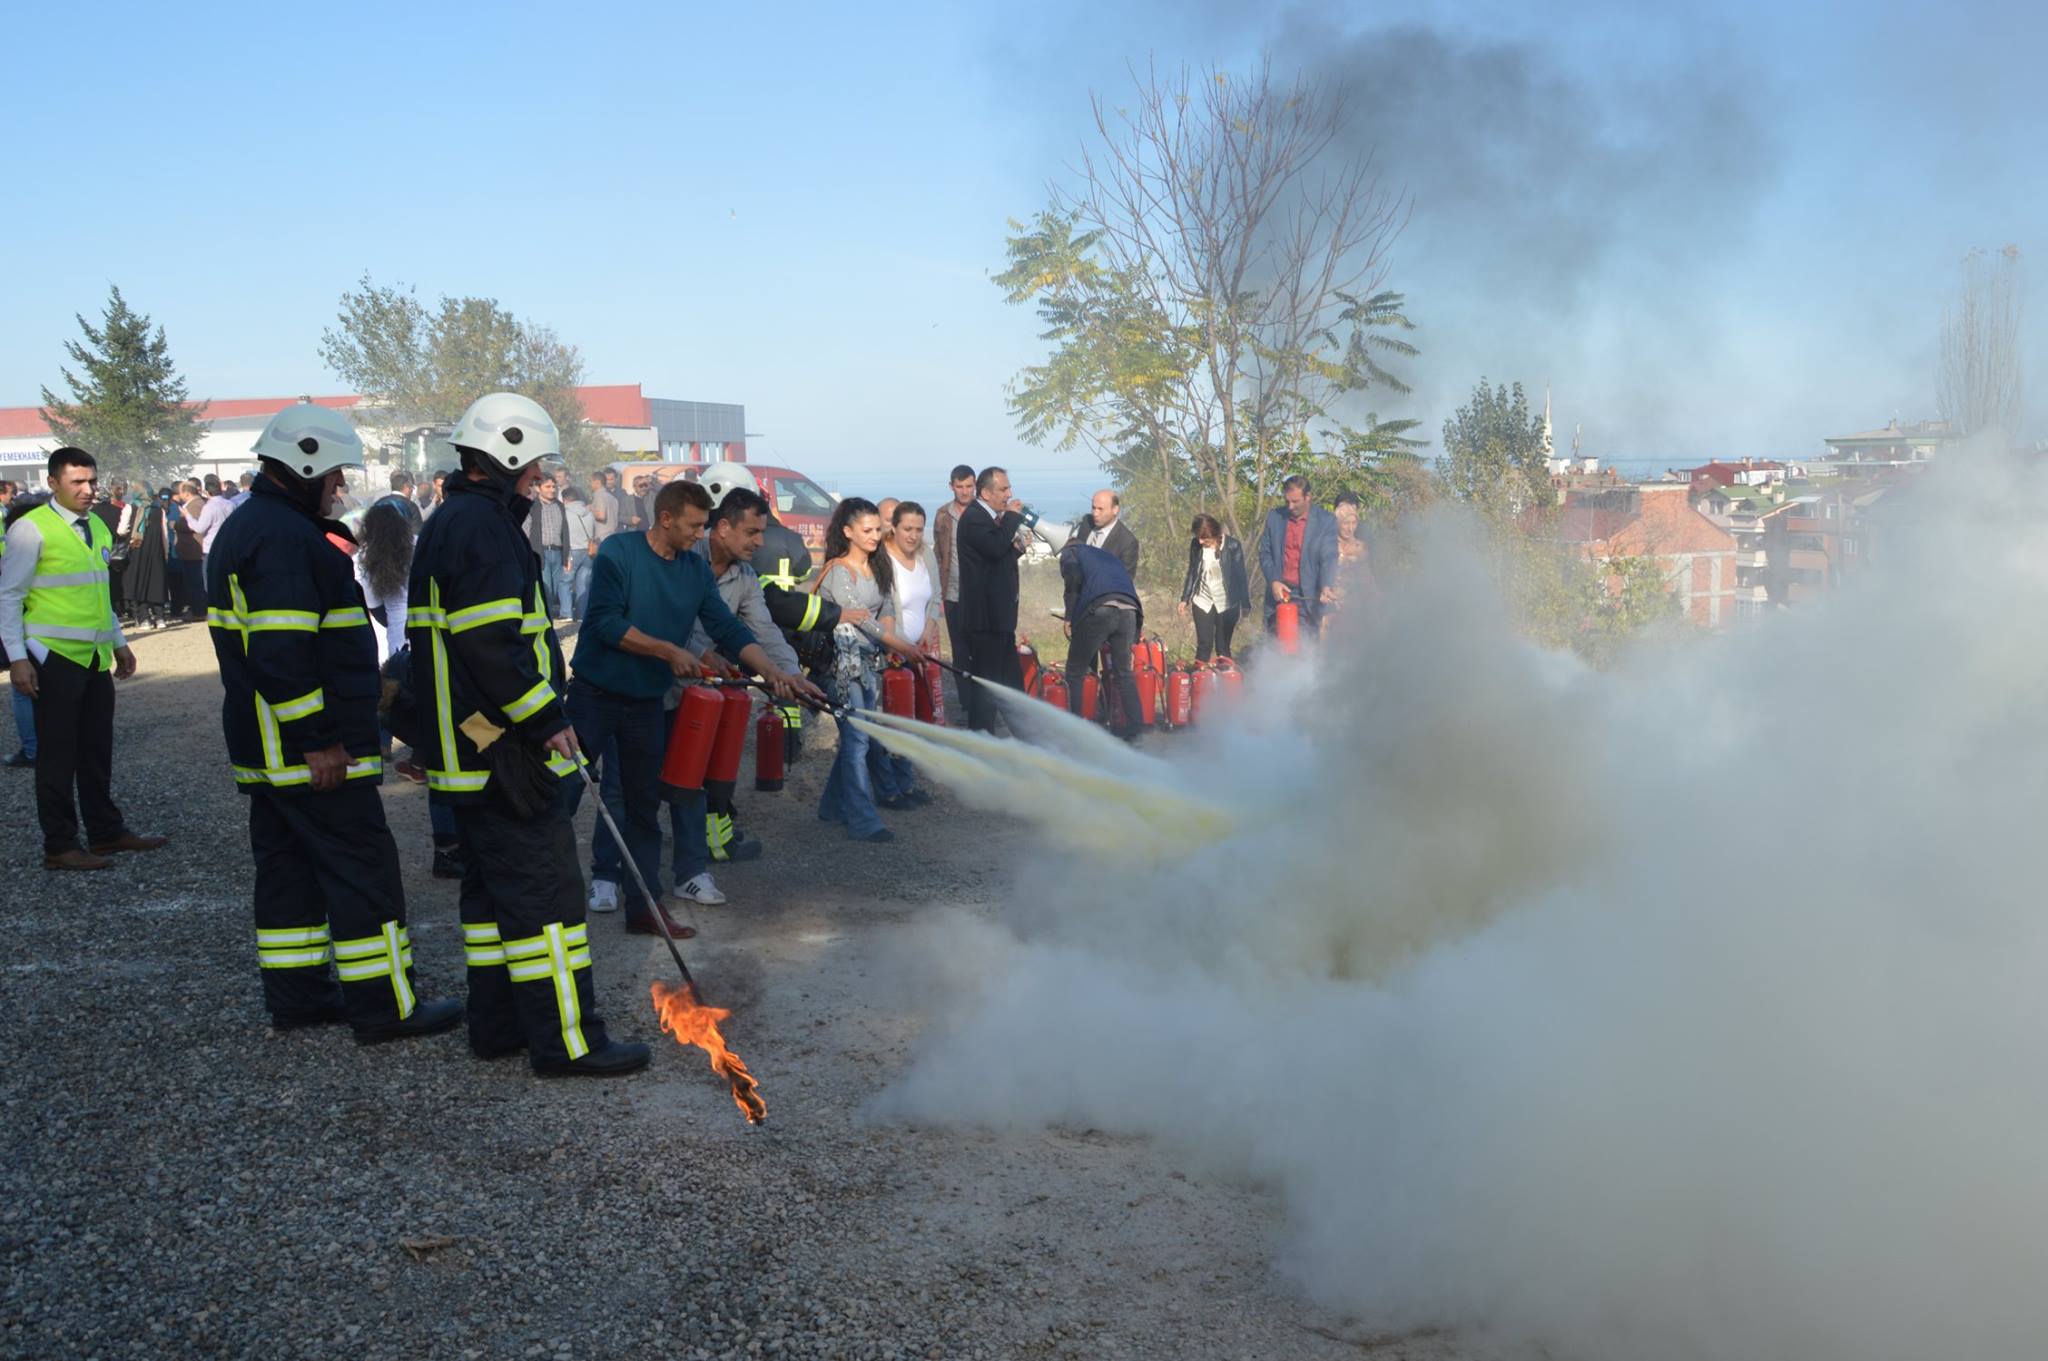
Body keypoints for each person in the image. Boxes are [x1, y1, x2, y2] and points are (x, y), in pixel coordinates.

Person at [407, 391, 648, 1078]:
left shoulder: (457, 520)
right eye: (537, 459)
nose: (542, 472)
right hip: (504, 754)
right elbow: (491, 647)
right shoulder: (482, 528)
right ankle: (569, 1041)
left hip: (471, 753)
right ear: (510, 453)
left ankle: (500, 1025)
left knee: (492, 903)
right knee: (546, 901)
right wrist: (548, 718)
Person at [205, 402, 461, 1042]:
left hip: (267, 750)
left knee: (288, 872)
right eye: (336, 475)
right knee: (362, 868)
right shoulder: (287, 541)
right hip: (306, 752)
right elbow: (282, 653)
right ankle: (385, 1007)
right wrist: (319, 741)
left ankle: (298, 998)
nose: (341, 487)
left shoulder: (255, 526)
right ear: (305, 464)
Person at [570, 478, 816, 919]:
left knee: (644, 803)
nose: (699, 535)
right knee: (571, 790)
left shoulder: (694, 569)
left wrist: (780, 674)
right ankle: (589, 879)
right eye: (694, 526)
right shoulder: (618, 553)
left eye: (704, 526)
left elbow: (730, 629)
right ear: (665, 520)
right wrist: (671, 651)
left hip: (647, 700)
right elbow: (605, 624)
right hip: (596, 696)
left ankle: (644, 906)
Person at [0, 446, 168, 870]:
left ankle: (106, 832)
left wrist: (118, 642)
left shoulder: (95, 524)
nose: (88, 489)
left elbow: (98, 592)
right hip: (52, 657)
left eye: (91, 480)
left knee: (96, 750)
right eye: (77, 481)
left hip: (92, 658)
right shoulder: (31, 529)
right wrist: (18, 658)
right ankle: (59, 845)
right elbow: (9, 596)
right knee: (57, 756)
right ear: (53, 483)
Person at [689, 483, 807, 864]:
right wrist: (699, 654)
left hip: (703, 687)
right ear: (723, 527)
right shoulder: (684, 559)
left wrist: (790, 673)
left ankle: (715, 841)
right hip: (663, 680)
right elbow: (667, 622)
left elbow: (764, 631)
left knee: (715, 768)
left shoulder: (744, 577)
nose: (760, 542)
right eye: (752, 532)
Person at [814, 497, 926, 841]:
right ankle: (863, 819)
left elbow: (887, 605)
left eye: (879, 529)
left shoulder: (877, 566)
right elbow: (861, 617)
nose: (875, 536)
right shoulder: (837, 572)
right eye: (867, 530)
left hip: (868, 665)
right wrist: (901, 645)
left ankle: (832, 808)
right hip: (840, 669)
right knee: (859, 737)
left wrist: (891, 643)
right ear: (847, 532)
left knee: (856, 736)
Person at [875, 500, 941, 806]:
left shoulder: (927, 554)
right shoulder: (882, 559)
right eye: (907, 529)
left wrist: (928, 631)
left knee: (910, 718)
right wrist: (899, 645)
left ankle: (906, 782)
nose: (913, 536)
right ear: (894, 528)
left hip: (917, 651)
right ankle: (887, 788)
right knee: (890, 721)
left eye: (918, 529)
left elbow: (936, 598)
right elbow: (882, 609)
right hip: (891, 652)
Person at [954, 466, 1028, 732]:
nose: (1009, 494)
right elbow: (995, 547)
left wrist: (1015, 551)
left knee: (1011, 684)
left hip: (999, 621)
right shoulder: (974, 518)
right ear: (985, 493)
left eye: (1009, 488)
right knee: (987, 687)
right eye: (1003, 489)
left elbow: (993, 560)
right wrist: (1011, 519)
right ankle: (982, 741)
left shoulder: (988, 519)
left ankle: (1027, 738)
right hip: (985, 622)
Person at [1060, 537, 1145, 739]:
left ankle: (1075, 731)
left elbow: (1073, 583)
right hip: (1130, 610)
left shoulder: (1071, 552)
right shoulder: (1105, 556)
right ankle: (1136, 732)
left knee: (1074, 671)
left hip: (1101, 609)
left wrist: (1070, 617)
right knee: (1124, 672)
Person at [1257, 474, 1339, 640]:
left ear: (1308, 497)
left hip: (1307, 595)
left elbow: (1329, 556)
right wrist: (1273, 581)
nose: (1290, 507)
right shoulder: (1275, 517)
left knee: (1304, 648)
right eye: (1287, 501)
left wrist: (1326, 585)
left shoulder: (1326, 521)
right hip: (1278, 594)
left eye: (1295, 502)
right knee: (1274, 646)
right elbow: (1265, 552)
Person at [1177, 513, 1250, 662]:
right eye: (1198, 537)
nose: (1200, 540)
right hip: (1202, 600)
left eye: (1204, 538)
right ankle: (1200, 681)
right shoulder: (1196, 545)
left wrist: (1245, 603)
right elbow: (1192, 572)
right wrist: (1185, 598)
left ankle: (1227, 682)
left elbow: (1240, 576)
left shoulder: (1232, 546)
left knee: (1223, 648)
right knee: (1204, 645)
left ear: (1215, 533)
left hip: (1227, 603)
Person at [931, 463, 976, 701]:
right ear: (952, 487)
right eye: (960, 486)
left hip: (978, 594)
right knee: (960, 650)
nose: (965, 491)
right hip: (952, 592)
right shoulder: (942, 515)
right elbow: (938, 553)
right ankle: (965, 701)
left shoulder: (983, 511)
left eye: (969, 486)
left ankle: (982, 700)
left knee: (979, 649)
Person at [1324, 490, 1375, 633]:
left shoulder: (1366, 539)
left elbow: (1369, 575)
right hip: (1328, 607)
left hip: (1355, 608)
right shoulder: (1325, 538)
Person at [125, 487, 173, 630]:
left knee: (140, 582)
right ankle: (160, 618)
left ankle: (144, 618)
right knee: (156, 582)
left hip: (137, 551)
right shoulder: (159, 510)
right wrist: (165, 552)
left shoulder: (130, 508)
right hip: (156, 550)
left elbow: (122, 529)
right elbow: (164, 535)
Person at [525, 472, 570, 619]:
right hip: (540, 553)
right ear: (538, 488)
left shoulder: (560, 506)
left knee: (555, 589)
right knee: (545, 590)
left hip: (557, 553)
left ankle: (549, 620)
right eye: (548, 486)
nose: (552, 490)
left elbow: (565, 531)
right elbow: (525, 531)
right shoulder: (532, 507)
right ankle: (547, 622)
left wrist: (566, 556)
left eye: (554, 486)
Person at [1084, 489, 1140, 579]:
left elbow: (1124, 581)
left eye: (1100, 509)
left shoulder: (1127, 542)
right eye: (1093, 508)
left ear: (1115, 510)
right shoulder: (1086, 524)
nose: (1095, 513)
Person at [560, 483, 596, 621]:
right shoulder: (589, 513)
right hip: (588, 552)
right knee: (583, 584)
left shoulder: (565, 513)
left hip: (572, 551)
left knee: (565, 582)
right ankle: (582, 614)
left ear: (566, 499)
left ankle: (566, 613)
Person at [587, 470, 618, 547]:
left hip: (602, 538)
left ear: (597, 482)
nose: (590, 484)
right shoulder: (613, 498)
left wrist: (591, 509)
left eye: (591, 482)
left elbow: (601, 516)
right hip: (613, 536)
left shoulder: (599, 496)